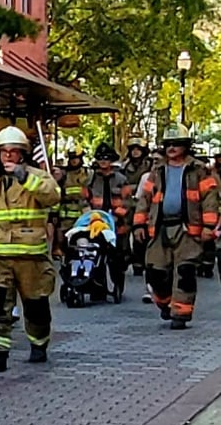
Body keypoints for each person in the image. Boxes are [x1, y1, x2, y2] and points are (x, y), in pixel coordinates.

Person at [0, 126, 61, 372]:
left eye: (14, 151)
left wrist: (26, 179)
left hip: (31, 257)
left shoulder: (38, 177)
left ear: (23, 154)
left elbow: (52, 197)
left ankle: (39, 343)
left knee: (36, 306)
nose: (8, 156)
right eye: (4, 152)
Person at [133, 124, 219, 329]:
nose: (171, 148)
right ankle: (164, 302)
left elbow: (210, 200)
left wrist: (209, 226)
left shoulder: (199, 170)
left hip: (188, 231)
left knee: (185, 272)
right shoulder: (156, 171)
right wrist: (138, 225)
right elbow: (145, 199)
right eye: (168, 144)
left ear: (186, 146)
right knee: (156, 273)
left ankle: (180, 314)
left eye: (177, 144)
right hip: (160, 229)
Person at [85, 143, 132, 297]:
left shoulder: (121, 179)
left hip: (117, 225)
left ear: (112, 160)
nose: (103, 161)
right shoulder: (91, 179)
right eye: (100, 158)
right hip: (96, 224)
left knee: (116, 258)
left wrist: (118, 215)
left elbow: (128, 202)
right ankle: (98, 288)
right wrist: (89, 214)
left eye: (106, 158)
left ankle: (117, 285)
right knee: (96, 255)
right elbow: (84, 199)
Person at [121, 137, 153, 276]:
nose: (135, 152)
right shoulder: (124, 166)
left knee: (142, 233)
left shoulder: (150, 165)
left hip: (145, 203)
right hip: (128, 204)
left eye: (138, 149)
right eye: (133, 149)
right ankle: (127, 257)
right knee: (124, 232)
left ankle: (142, 261)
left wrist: (137, 188)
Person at [53, 147, 89, 253]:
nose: (74, 161)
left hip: (83, 213)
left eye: (76, 158)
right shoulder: (63, 174)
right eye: (72, 158)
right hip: (65, 215)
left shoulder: (88, 173)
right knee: (64, 242)